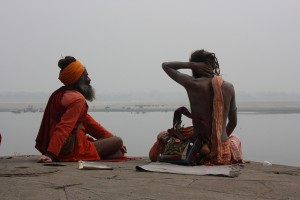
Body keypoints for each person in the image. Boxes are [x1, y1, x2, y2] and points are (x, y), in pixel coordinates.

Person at [149, 49, 242, 165]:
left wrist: (192, 65)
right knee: (235, 139)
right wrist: (216, 141)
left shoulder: (192, 83)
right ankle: (217, 151)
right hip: (222, 152)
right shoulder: (229, 87)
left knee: (162, 135)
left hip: (196, 149)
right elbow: (233, 123)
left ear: (196, 67)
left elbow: (166, 66)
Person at [35, 56, 126, 163]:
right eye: (86, 76)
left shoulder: (61, 94)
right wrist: (51, 154)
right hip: (71, 149)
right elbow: (64, 126)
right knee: (118, 142)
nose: (89, 79)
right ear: (78, 79)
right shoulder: (77, 99)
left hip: (61, 146)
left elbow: (90, 123)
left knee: (116, 147)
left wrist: (109, 137)